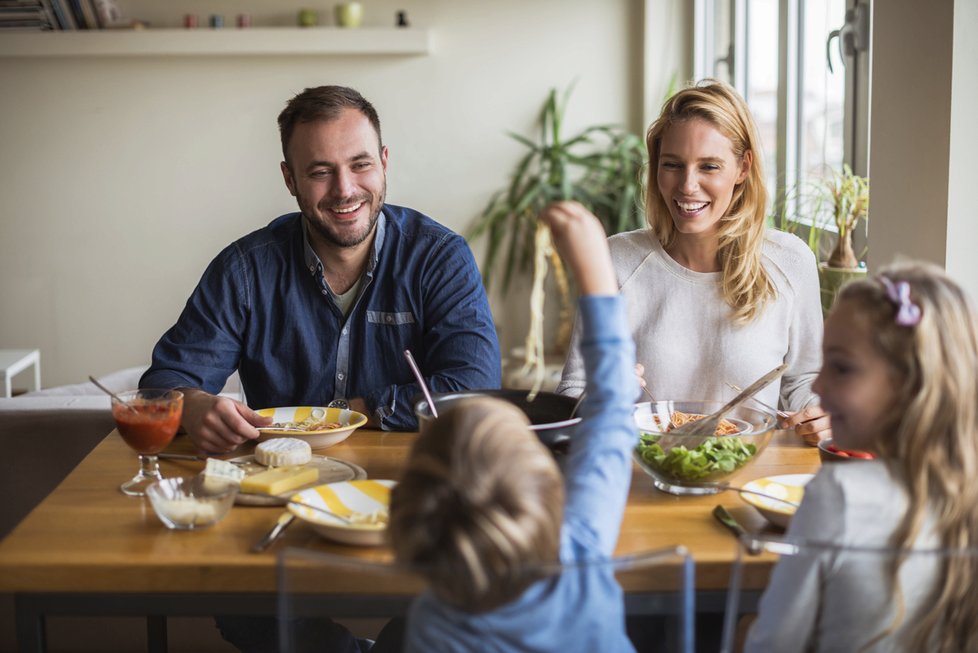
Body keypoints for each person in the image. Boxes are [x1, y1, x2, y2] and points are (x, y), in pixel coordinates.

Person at [140, 85, 501, 451]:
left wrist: (351, 412)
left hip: (409, 480)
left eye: (361, 165)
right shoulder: (244, 270)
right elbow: (165, 384)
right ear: (290, 179)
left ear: (384, 162)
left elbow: (475, 386)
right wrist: (194, 406)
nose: (344, 190)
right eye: (320, 172)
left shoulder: (440, 258)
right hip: (276, 482)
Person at [388, 200, 638, 652]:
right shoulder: (581, 556)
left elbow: (611, 409)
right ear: (551, 493)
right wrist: (596, 273)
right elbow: (615, 407)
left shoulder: (429, 626)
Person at [555, 79, 830, 445]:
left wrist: (821, 414)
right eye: (672, 165)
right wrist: (603, 395)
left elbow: (803, 380)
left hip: (749, 472)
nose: (687, 185)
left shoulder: (791, 261)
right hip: (641, 473)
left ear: (743, 168)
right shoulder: (616, 260)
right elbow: (573, 392)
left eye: (709, 167)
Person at [746, 261, 978, 652]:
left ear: (909, 384)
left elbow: (773, 644)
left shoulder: (838, 495)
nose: (818, 384)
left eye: (841, 368)